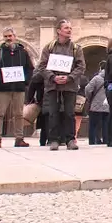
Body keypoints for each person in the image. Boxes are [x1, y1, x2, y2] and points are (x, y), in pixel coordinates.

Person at [37, 20, 86, 151]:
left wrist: (69, 77)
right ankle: (53, 139)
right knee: (53, 113)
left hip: (69, 86)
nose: (69, 30)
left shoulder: (76, 48)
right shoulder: (49, 47)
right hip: (52, 85)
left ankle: (70, 139)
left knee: (70, 113)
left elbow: (81, 66)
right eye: (66, 28)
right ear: (59, 30)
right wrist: (53, 77)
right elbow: (41, 66)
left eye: (70, 28)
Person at [0, 27, 35, 148]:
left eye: (10, 36)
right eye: (6, 36)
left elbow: (30, 68)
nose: (8, 38)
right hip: (2, 88)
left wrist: (26, 81)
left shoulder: (23, 52)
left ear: (14, 37)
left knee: (19, 114)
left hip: (18, 88)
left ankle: (19, 138)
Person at [85, 61, 109, 145]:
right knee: (106, 124)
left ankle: (93, 141)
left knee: (93, 125)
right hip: (107, 105)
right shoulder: (111, 79)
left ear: (100, 68)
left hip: (95, 105)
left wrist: (89, 97)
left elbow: (88, 89)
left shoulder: (96, 78)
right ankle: (106, 140)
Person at [26, 71, 47, 146]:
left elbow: (31, 89)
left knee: (45, 120)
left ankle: (43, 141)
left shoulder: (38, 75)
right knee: (47, 120)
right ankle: (47, 140)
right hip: (45, 101)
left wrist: (30, 100)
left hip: (41, 101)